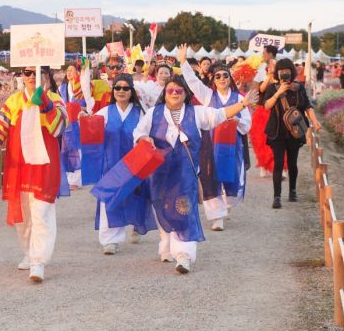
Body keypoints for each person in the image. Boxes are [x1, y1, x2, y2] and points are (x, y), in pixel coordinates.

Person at [133, 75, 257, 274]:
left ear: (185, 94)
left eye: (178, 90)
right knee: (162, 209)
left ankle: (184, 256)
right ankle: (166, 245)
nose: (174, 93)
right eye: (170, 90)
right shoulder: (153, 114)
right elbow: (138, 132)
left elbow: (220, 114)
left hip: (185, 175)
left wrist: (242, 104)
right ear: (164, 94)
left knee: (185, 210)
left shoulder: (196, 113)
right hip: (159, 174)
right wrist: (144, 138)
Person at [0, 66, 67, 283]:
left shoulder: (55, 100)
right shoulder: (13, 101)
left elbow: (59, 128)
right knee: (24, 218)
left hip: (45, 167)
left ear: (46, 76)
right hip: (19, 168)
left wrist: (44, 104)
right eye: (27, 73)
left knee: (41, 214)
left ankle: (38, 261)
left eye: (36, 73)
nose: (31, 77)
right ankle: (28, 251)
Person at [179, 44, 251, 231]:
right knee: (210, 176)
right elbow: (193, 84)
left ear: (230, 78)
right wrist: (183, 62)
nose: (221, 79)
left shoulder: (239, 98)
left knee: (231, 178)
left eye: (225, 76)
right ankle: (216, 216)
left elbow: (247, 124)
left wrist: (236, 120)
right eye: (217, 76)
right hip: (210, 144)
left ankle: (225, 204)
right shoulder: (208, 95)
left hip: (232, 146)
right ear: (213, 79)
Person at [93, 74, 155, 254]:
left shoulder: (140, 112)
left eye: (125, 88)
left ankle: (137, 225)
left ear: (131, 92)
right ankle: (110, 240)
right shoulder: (105, 112)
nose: (121, 91)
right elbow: (90, 129)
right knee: (110, 199)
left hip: (135, 164)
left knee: (136, 197)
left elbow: (150, 132)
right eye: (117, 88)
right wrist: (83, 118)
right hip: (111, 164)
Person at [262, 58, 322, 209]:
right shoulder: (272, 88)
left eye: (287, 72)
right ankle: (277, 197)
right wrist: (278, 93)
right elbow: (266, 105)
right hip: (277, 131)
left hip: (294, 131)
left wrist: (314, 121)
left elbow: (307, 106)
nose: (284, 75)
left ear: (292, 73)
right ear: (277, 73)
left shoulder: (299, 87)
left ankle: (293, 190)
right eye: (281, 72)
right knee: (278, 163)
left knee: (292, 162)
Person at [250, 45, 282, 178]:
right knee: (262, 138)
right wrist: (268, 77)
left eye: (264, 53)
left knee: (279, 139)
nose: (263, 56)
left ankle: (279, 168)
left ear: (270, 54)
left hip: (278, 107)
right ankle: (264, 165)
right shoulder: (262, 68)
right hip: (263, 107)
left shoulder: (281, 66)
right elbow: (259, 89)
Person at [58, 63, 86, 190]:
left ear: (78, 73)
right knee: (66, 150)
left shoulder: (83, 87)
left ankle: (76, 180)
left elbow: (87, 104)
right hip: (66, 122)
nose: (68, 73)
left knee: (77, 150)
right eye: (67, 71)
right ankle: (70, 179)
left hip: (78, 122)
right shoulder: (62, 87)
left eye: (71, 70)